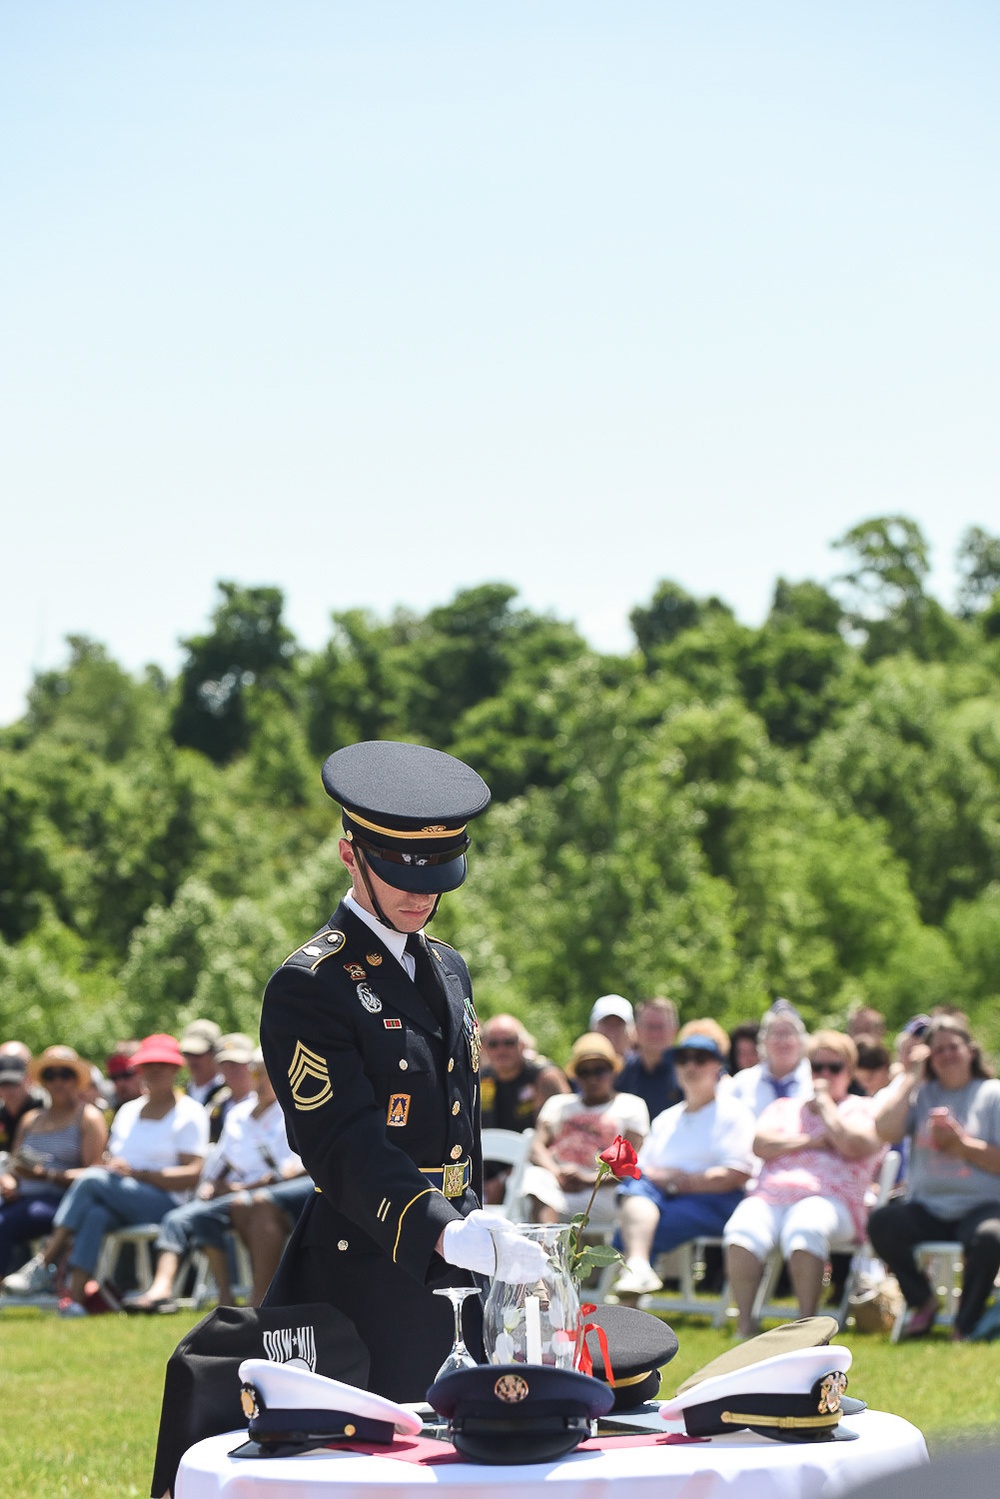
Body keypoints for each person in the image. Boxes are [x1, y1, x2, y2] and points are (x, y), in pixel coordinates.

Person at [259, 740, 547, 1402]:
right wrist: (442, 1230)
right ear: (349, 854)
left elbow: (457, 1125)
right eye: (401, 871)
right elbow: (343, 1144)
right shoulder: (310, 984)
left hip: (458, 1270)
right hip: (366, 1275)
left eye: (438, 873)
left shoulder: (448, 967)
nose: (421, 892)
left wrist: (475, 1228)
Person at [3, 1032, 208, 1314]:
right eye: (148, 1065)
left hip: (169, 1205)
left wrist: (139, 1173)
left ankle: (43, 1262)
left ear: (176, 1069)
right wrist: (117, 1168)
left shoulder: (190, 1112)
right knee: (95, 1212)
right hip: (122, 1196)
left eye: (162, 1064)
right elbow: (112, 1160)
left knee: (91, 1178)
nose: (154, 1071)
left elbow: (193, 1174)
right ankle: (73, 1301)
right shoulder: (128, 1112)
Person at [723, 1030, 884, 1337]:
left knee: (805, 1225)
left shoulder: (863, 1108)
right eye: (817, 1066)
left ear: (849, 1071)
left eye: (833, 1068)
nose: (824, 1074)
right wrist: (811, 1141)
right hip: (772, 1195)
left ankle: (805, 1327)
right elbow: (760, 1144)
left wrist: (825, 1105)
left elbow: (853, 1145)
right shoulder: (784, 1106)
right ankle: (745, 1325)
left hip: (833, 1199)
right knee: (741, 1229)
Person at [130, 1049, 309, 1311]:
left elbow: (284, 1173)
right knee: (198, 1215)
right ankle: (224, 1297)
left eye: (268, 1072)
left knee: (250, 1202)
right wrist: (210, 1185)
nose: (262, 1078)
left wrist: (240, 1188)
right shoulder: (238, 1113)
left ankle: (260, 1298)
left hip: (269, 1190)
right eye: (257, 1071)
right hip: (238, 1191)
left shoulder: (291, 1109)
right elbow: (219, 1162)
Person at [869, 1014, 1000, 1341]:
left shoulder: (992, 1094)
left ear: (970, 1050)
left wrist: (962, 1146)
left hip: (982, 1206)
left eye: (952, 1046)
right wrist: (912, 1076)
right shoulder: (920, 1093)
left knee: (991, 1238)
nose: (946, 1055)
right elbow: (884, 1130)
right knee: (882, 1222)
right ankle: (922, 1301)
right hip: (927, 1207)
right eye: (936, 1050)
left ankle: (965, 1323)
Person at [613, 1028, 755, 1295]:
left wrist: (677, 1182)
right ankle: (638, 1270)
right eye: (682, 1059)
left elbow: (735, 1174)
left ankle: (635, 1269)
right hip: (661, 1197)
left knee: (635, 1230)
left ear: (718, 1066)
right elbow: (642, 1169)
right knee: (637, 1190)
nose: (690, 1065)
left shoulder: (734, 1113)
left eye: (700, 1058)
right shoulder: (667, 1118)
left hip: (715, 1202)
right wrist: (663, 1180)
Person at [522, 1032, 649, 1233]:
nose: (592, 1078)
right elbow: (536, 1148)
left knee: (536, 1193)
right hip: (556, 1185)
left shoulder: (631, 1106)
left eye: (600, 1070)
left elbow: (630, 1163)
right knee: (534, 1177)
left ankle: (549, 1256)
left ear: (613, 1071)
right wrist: (557, 1174)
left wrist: (587, 1179)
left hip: (602, 1192)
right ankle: (549, 1254)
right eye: (584, 1071)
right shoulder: (558, 1104)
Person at [0, 1046, 108, 1280]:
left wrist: (46, 1175)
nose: (58, 1081)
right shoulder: (30, 1119)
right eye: (50, 1075)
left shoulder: (88, 1117)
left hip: (62, 1202)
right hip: (21, 1199)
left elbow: (96, 1174)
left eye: (65, 1075)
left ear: (77, 1080)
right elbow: (13, 1165)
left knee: (2, 1224)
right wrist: (8, 1180)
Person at [479, 1013, 570, 1204]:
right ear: (484, 1047)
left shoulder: (544, 1078)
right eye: (493, 1044)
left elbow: (564, 1133)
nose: (501, 1050)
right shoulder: (481, 1079)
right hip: (488, 1172)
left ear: (523, 1044)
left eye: (509, 1042)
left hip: (534, 1169)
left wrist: (505, 1178)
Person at [729, 1000, 812, 1115]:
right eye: (776, 1034)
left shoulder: (815, 1078)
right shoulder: (742, 1082)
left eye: (788, 1034)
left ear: (801, 1041)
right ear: (764, 1041)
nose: (782, 1041)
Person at [616, 998, 683, 1121]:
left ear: (674, 1031)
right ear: (637, 1030)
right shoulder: (621, 1072)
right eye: (649, 1026)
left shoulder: (688, 1070)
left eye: (661, 1027)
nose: (655, 1033)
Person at [205, 1033, 257, 1143]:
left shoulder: (264, 1102)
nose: (232, 1069)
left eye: (238, 1063)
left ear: (252, 1064)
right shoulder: (216, 1103)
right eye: (225, 1063)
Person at [0, 1047, 47, 1155]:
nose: (9, 1089)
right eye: (3, 1083)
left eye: (14, 1083)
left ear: (28, 1080)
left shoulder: (44, 1107)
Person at [180, 1021, 226, 1108]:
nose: (191, 1060)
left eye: (197, 1054)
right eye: (187, 1053)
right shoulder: (180, 1093)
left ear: (215, 1053)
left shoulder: (229, 1093)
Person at [588, 995, 635, 1060]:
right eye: (606, 1024)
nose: (612, 1032)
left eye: (618, 1024)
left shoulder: (644, 1067)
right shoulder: (579, 1067)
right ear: (593, 1029)